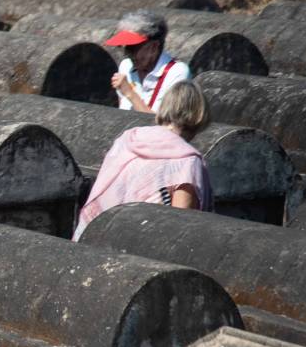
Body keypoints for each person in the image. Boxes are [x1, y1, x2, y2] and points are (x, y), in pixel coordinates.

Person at [72, 80, 213, 240]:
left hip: (101, 233)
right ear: (199, 116)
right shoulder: (188, 162)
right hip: (142, 243)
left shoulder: (129, 139)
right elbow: (180, 229)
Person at [105, 9, 191, 113]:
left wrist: (130, 93)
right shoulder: (126, 66)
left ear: (154, 47)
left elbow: (166, 125)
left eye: (133, 47)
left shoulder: (177, 72)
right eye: (126, 47)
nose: (127, 53)